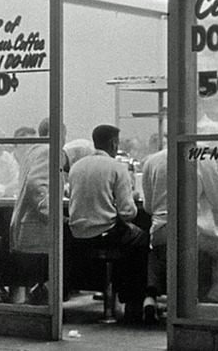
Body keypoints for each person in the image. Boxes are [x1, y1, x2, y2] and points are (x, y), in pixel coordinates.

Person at [142, 149, 218, 317]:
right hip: (193, 232)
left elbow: (148, 207)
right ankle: (215, 303)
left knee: (159, 253)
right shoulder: (202, 157)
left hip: (160, 232)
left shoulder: (152, 160)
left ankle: (152, 298)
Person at [67, 124, 149, 322]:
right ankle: (132, 301)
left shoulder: (76, 166)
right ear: (113, 143)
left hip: (77, 234)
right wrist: (131, 195)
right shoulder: (116, 168)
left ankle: (107, 289)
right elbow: (127, 212)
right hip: (106, 233)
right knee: (143, 239)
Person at [8, 118, 72, 304]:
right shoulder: (49, 151)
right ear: (61, 134)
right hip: (38, 228)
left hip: (27, 225)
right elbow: (36, 185)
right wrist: (54, 216)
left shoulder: (32, 151)